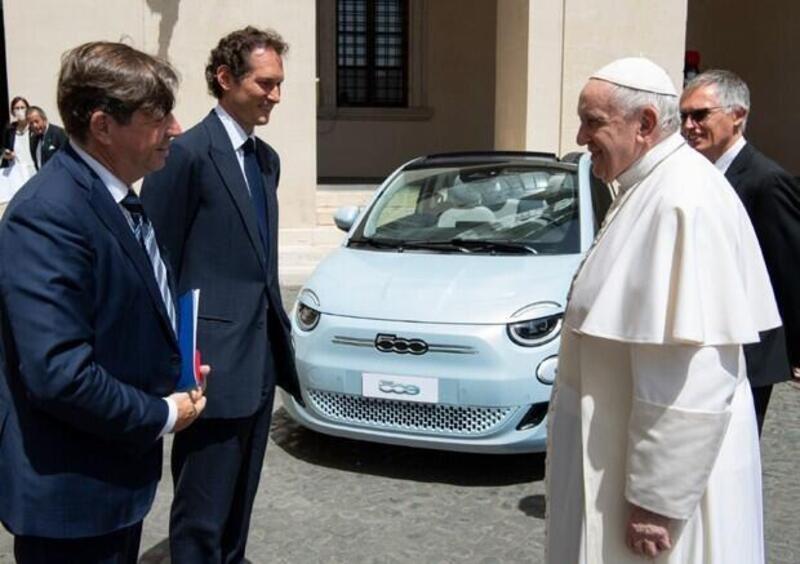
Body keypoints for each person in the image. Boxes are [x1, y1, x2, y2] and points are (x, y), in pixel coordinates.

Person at [545, 57, 780, 563]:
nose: (582, 137)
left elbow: (689, 372)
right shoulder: (649, 186)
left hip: (658, 502)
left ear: (645, 124)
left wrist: (656, 500)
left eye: (593, 122)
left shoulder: (681, 199)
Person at [0, 41, 207, 564]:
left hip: (111, 486)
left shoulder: (118, 197)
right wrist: (162, 413)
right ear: (103, 125)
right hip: (71, 500)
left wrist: (176, 366)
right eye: (157, 117)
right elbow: (59, 374)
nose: (176, 129)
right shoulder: (48, 214)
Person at [141, 26, 301, 563]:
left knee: (238, 514)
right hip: (207, 371)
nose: (275, 95)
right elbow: (157, 265)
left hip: (258, 365)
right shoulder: (185, 154)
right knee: (201, 520)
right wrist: (175, 365)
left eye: (280, 84)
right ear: (225, 78)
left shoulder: (266, 160)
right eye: (265, 83)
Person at [680, 69, 800, 435]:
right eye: (683, 116)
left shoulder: (766, 181)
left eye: (700, 115)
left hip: (749, 351)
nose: (689, 126)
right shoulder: (697, 174)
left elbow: (790, 268)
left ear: (737, 116)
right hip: (708, 344)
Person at [26, 106, 68, 171]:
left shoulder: (58, 133)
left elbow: (67, 158)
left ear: (44, 119)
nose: (34, 125)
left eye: (36, 121)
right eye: (31, 123)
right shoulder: (33, 139)